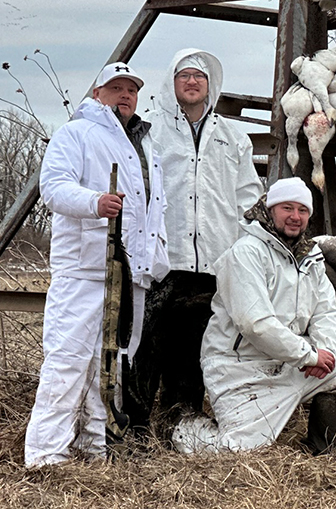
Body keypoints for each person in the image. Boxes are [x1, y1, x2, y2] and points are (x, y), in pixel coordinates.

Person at [25, 62, 169, 467]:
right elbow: (53, 188)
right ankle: (45, 456)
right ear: (97, 94)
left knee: (112, 365)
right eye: (116, 88)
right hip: (85, 270)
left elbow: (156, 210)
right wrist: (94, 203)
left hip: (131, 274)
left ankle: (96, 448)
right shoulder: (77, 134)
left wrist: (156, 260)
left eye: (131, 90)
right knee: (68, 360)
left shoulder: (145, 146)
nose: (125, 95)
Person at [175, 177, 336, 454]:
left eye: (302, 210)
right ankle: (184, 428)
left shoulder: (311, 257)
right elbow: (255, 324)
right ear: (269, 210)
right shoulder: (246, 253)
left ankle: (328, 451)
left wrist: (324, 351)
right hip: (242, 367)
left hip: (293, 362)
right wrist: (308, 356)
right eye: (287, 208)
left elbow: (326, 311)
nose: (295, 217)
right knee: (237, 452)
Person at [130, 49, 262, 433]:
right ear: (171, 83)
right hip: (162, 260)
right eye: (184, 75)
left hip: (212, 263)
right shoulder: (150, 130)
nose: (192, 82)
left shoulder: (232, 137)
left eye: (199, 77)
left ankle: (179, 425)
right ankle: (134, 428)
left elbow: (247, 199)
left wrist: (243, 252)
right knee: (146, 346)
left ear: (210, 84)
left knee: (194, 350)